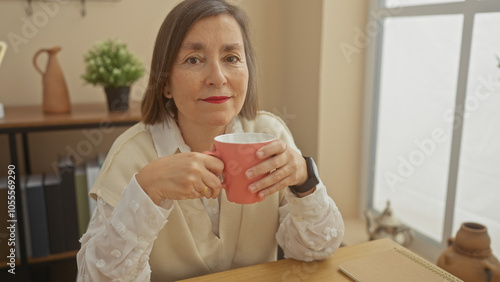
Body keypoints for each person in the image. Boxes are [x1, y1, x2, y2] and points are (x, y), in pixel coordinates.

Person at [77, 0, 344, 281]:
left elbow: (315, 250)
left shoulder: (272, 135)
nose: (218, 78)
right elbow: (92, 278)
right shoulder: (131, 155)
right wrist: (147, 191)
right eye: (194, 59)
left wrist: (304, 180)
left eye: (231, 58)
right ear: (165, 82)